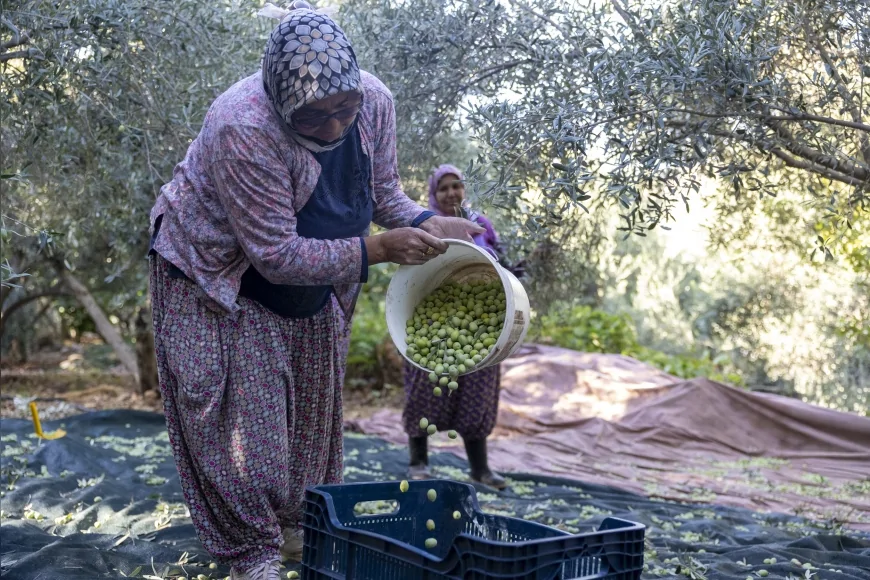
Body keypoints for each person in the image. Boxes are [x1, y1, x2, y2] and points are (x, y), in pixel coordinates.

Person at [146, 4, 483, 579]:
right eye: (314, 118)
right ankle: (251, 553)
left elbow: (382, 195)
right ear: (281, 105)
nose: (334, 127)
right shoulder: (243, 127)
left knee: (309, 416)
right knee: (248, 435)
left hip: (316, 275)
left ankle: (298, 532)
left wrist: (429, 222)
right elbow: (274, 255)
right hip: (221, 276)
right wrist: (375, 251)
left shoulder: (373, 101)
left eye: (343, 109)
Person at [401, 164, 523, 491]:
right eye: (444, 188)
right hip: (433, 318)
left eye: (457, 185)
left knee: (477, 394)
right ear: (434, 193)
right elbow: (409, 272)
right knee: (425, 390)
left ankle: (480, 469)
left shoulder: (481, 224)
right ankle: (418, 462)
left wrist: (514, 271)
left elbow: (500, 261)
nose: (452, 193)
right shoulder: (424, 225)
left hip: (482, 324)